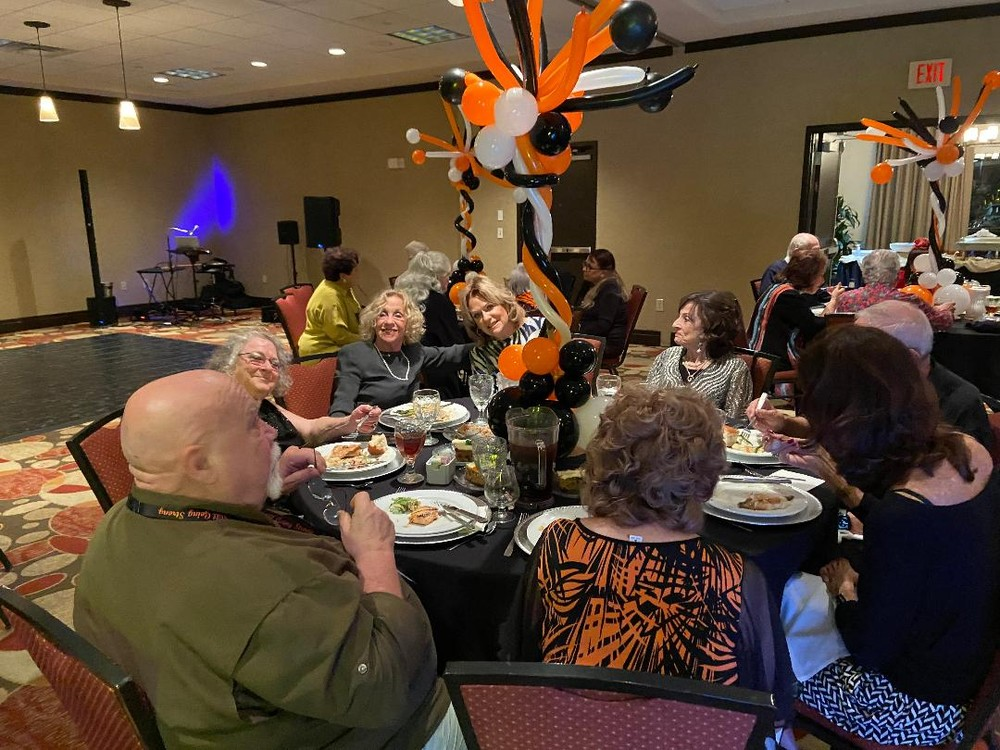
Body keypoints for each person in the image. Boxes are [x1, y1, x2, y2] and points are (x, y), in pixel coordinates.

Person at [73, 370, 463, 749]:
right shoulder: (264, 584)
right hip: (384, 730)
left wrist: (262, 481)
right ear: (200, 463)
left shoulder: (117, 523)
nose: (272, 431)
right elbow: (384, 687)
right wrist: (375, 554)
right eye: (252, 425)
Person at [501, 385, 794, 742]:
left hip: (571, 739)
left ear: (602, 462)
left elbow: (523, 668)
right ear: (705, 477)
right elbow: (768, 709)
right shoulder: (734, 575)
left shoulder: (558, 543)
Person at [784, 327, 999, 746]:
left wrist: (844, 588)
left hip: (912, 707)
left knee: (766, 651)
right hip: (969, 666)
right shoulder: (968, 450)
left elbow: (868, 649)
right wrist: (844, 488)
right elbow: (927, 542)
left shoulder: (902, 515)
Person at [749, 300, 994, 452]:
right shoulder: (869, 379)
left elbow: (956, 493)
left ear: (909, 358)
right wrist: (784, 423)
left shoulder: (959, 402)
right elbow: (826, 426)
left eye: (865, 352)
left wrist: (844, 487)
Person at [207, 328, 379, 453]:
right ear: (230, 362)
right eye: (256, 359)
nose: (267, 368)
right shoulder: (221, 411)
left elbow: (311, 429)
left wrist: (349, 422)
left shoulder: (263, 405)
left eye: (275, 364)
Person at [329, 289, 472, 416]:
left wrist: (485, 339)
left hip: (410, 431)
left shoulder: (413, 352)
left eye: (398, 315)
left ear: (408, 323)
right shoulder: (354, 354)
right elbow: (342, 405)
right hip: (370, 431)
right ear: (373, 321)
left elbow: (455, 354)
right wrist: (340, 428)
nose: (389, 321)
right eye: (382, 315)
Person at [644, 291, 752, 420]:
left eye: (686, 319)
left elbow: (736, 422)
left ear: (710, 328)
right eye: (679, 317)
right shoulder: (667, 356)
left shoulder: (733, 368)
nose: (675, 324)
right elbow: (646, 404)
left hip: (707, 433)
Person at [747, 242, 844, 370]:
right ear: (809, 276)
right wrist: (834, 301)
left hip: (760, 351)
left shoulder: (777, 288)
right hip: (773, 360)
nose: (822, 280)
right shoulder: (789, 297)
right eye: (820, 275)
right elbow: (815, 328)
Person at [394, 251, 470, 399]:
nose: (448, 280)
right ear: (435, 277)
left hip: (404, 368)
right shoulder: (438, 302)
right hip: (436, 374)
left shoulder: (403, 298)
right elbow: (454, 342)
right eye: (446, 275)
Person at [834, 248, 954, 330]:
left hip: (855, 356)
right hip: (897, 356)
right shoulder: (909, 300)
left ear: (864, 273)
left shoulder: (846, 299)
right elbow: (943, 322)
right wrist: (945, 311)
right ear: (896, 275)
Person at [459, 273, 544, 378]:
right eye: (477, 315)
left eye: (489, 307)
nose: (485, 318)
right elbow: (484, 388)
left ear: (504, 303)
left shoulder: (541, 329)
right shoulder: (480, 354)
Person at [298, 247, 362, 357]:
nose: (359, 273)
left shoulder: (343, 287)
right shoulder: (330, 298)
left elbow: (357, 313)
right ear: (343, 276)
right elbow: (340, 337)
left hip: (336, 345)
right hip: (322, 352)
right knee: (370, 357)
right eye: (355, 270)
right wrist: (367, 340)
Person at [575, 249, 628, 361]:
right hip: (597, 338)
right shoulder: (595, 286)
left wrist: (578, 331)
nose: (584, 269)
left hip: (607, 344)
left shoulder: (610, 292)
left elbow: (603, 325)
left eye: (589, 267)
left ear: (604, 272)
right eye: (585, 264)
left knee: (560, 346)